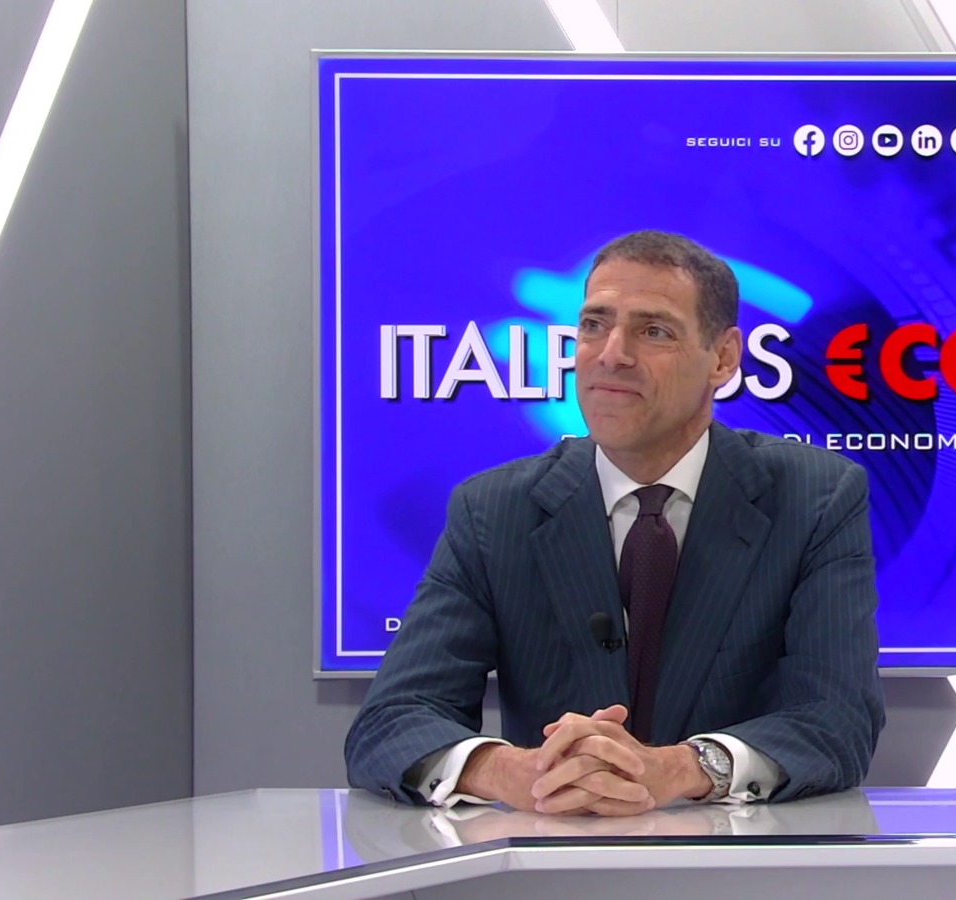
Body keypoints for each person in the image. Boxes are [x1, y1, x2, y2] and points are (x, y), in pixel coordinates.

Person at [345, 229, 885, 816]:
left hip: (735, 854)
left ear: (724, 358)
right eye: (594, 325)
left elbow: (838, 721)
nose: (611, 354)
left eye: (654, 331)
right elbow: (392, 721)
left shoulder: (815, 499)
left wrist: (683, 768)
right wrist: (510, 771)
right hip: (552, 851)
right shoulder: (493, 510)